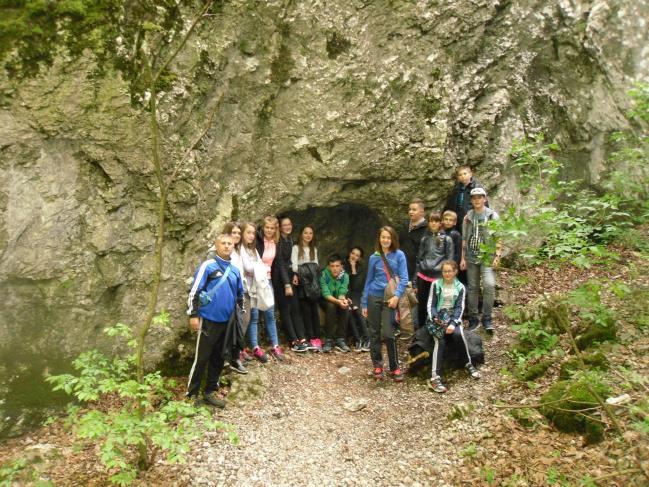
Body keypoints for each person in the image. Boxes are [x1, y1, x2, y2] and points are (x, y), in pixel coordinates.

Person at [186, 233, 244, 408]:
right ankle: (192, 394)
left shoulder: (235, 270)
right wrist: (193, 315)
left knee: (219, 357)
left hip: (227, 323)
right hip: (208, 320)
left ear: (233, 246)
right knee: (202, 357)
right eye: (223, 243)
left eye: (229, 243)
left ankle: (210, 392)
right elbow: (194, 291)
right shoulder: (208, 266)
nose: (226, 246)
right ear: (216, 246)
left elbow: (240, 296)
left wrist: (239, 317)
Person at [361, 226, 408, 381]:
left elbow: (404, 278)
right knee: (374, 333)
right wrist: (364, 303)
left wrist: (396, 296)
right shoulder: (374, 257)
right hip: (374, 296)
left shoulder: (399, 255)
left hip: (390, 299)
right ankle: (377, 366)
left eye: (388, 237)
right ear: (379, 239)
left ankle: (394, 367)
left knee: (388, 333)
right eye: (383, 237)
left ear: (393, 239)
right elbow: (368, 280)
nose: (385, 240)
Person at [427, 260, 480, 393]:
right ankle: (435, 377)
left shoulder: (460, 287)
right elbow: (431, 304)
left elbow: (460, 308)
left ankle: (468, 364)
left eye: (450, 271)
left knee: (458, 334)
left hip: (452, 317)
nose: (447, 273)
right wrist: (435, 318)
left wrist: (453, 323)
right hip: (438, 317)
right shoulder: (436, 284)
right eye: (444, 271)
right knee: (440, 341)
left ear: (455, 271)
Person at [460, 188, 502, 333]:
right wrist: (462, 258)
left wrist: (497, 255)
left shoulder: (492, 216)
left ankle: (487, 318)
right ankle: (473, 318)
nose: (477, 200)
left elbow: (498, 236)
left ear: (484, 199)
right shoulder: (468, 217)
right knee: (472, 288)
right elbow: (465, 239)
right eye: (474, 198)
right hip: (471, 257)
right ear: (471, 200)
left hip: (487, 258)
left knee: (489, 285)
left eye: (479, 197)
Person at [214, 222, 247, 374]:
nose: (236, 236)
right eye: (233, 233)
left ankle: (235, 358)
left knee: (238, 330)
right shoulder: (217, 253)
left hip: (237, 296)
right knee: (222, 334)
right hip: (222, 299)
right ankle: (223, 363)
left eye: (239, 233)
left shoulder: (239, 251)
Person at [251, 216, 286, 361]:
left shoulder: (276, 242)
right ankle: (255, 347)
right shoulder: (257, 241)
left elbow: (279, 263)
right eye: (267, 228)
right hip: (254, 281)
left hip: (268, 281)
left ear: (275, 229)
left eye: (272, 228)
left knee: (270, 314)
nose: (269, 230)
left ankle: (275, 345)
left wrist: (287, 283)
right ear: (263, 228)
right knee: (254, 316)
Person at [272, 216, 309, 352]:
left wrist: (294, 274)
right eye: (285, 225)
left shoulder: (290, 239)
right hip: (279, 279)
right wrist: (287, 284)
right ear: (280, 228)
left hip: (289, 276)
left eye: (289, 224)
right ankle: (293, 340)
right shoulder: (278, 241)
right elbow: (280, 262)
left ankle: (302, 337)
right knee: (285, 309)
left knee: (295, 307)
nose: (288, 227)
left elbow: (290, 262)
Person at [415, 212, 454, 329]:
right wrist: (415, 280)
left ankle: (436, 331)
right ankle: (421, 331)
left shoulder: (447, 239)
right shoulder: (424, 239)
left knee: (436, 306)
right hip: (423, 276)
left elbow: (449, 261)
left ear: (440, 223)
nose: (433, 223)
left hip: (438, 277)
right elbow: (419, 259)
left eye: (436, 221)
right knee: (422, 305)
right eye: (431, 221)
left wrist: (447, 279)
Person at [291, 225, 323, 352]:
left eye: (311, 233)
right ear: (301, 234)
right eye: (306, 233)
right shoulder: (296, 248)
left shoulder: (313, 249)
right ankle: (309, 337)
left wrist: (306, 267)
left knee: (314, 310)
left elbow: (317, 265)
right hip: (302, 283)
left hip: (313, 283)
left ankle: (317, 337)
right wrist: (304, 269)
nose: (308, 235)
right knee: (305, 310)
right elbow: (294, 266)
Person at [320, 254, 351, 352]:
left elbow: (342, 291)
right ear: (329, 266)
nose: (335, 269)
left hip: (338, 298)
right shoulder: (324, 275)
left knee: (345, 307)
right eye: (332, 266)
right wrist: (338, 302)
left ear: (341, 266)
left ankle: (340, 339)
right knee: (331, 306)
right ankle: (328, 339)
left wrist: (343, 300)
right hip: (326, 300)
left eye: (337, 266)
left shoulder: (345, 276)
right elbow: (326, 294)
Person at [444, 165, 487, 234]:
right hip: (457, 217)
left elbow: (484, 204)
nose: (463, 176)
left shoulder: (477, 188)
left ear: (470, 174)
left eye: (465, 174)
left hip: (470, 217)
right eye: (460, 175)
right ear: (458, 177)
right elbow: (451, 202)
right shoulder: (457, 187)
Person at [344, 246, 370, 352]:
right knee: (349, 311)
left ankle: (367, 339)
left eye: (357, 255)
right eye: (353, 253)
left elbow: (355, 286)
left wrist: (353, 268)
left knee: (357, 311)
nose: (354, 256)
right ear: (349, 253)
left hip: (356, 294)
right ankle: (357, 340)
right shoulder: (342, 265)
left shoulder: (361, 268)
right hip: (345, 293)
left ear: (360, 258)